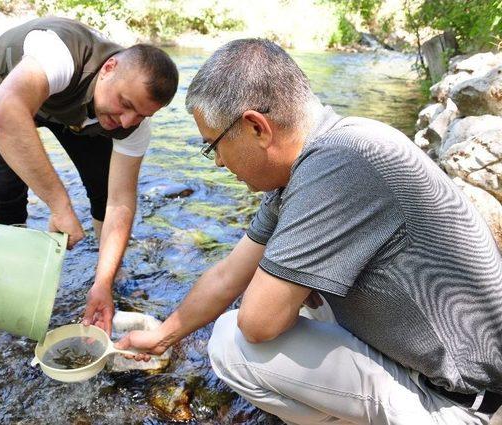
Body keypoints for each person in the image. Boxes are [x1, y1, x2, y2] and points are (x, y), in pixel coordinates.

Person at [117, 39, 502, 424]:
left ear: (256, 127)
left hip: (461, 404)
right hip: (450, 372)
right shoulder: (313, 159)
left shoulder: (338, 165)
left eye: (213, 145)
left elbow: (258, 324)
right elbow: (227, 275)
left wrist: (284, 287)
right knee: (294, 287)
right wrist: (164, 335)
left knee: (231, 342)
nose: (217, 162)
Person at [0, 17, 178, 335]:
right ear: (109, 69)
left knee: (102, 189)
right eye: (125, 104)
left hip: (82, 114)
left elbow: (121, 202)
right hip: (9, 86)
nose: (127, 120)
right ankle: (9, 286)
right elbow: (3, 112)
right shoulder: (58, 54)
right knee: (5, 192)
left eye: (141, 113)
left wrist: (103, 283)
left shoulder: (130, 121)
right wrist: (59, 205)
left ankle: (108, 275)